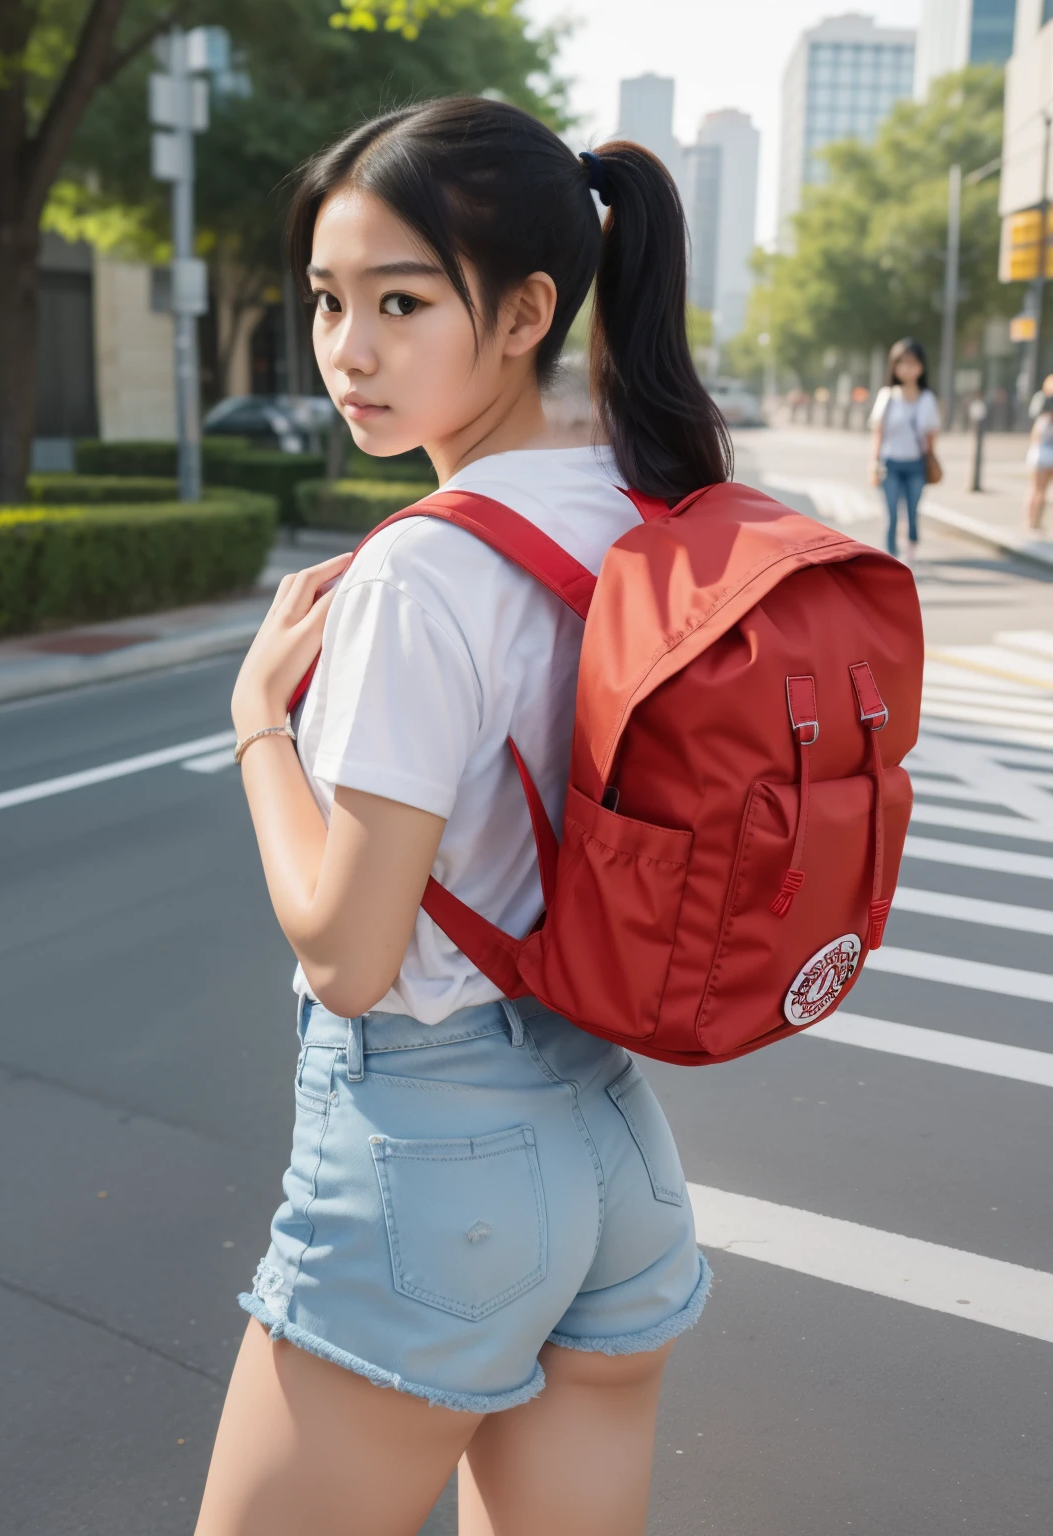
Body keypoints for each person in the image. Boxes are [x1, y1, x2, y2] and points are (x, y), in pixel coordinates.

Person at [194, 99, 728, 1536]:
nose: (348, 349)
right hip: (616, 1149)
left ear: (526, 313)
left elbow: (350, 956)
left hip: (437, 1174)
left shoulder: (420, 577)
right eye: (327, 300)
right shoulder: (642, 511)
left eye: (401, 300)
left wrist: (257, 722)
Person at [867, 337, 940, 563]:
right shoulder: (887, 396)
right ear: (894, 366)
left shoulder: (927, 399)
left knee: (912, 511)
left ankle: (910, 551)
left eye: (913, 363)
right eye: (902, 363)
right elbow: (878, 432)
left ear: (921, 367)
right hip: (890, 462)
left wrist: (930, 460)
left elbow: (931, 435)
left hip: (916, 463)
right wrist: (874, 461)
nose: (907, 368)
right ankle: (891, 557)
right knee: (890, 513)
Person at [1025, 372, 1053, 531]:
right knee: (1043, 490)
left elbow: (1035, 434)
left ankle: (1031, 521)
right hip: (1047, 451)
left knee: (1036, 489)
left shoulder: (1042, 401)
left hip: (1041, 452)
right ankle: (1036, 520)